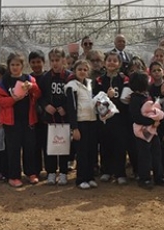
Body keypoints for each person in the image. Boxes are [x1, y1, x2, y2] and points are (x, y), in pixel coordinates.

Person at [0, 52, 42, 187]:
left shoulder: (29, 78)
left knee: (30, 147)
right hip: (11, 121)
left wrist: (32, 87)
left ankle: (31, 173)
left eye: (17, 64)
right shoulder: (4, 81)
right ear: (9, 66)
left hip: (28, 120)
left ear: (22, 65)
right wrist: (13, 99)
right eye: (12, 65)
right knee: (13, 149)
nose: (15, 67)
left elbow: (38, 94)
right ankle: (14, 176)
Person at [96, 51, 132, 184]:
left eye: (114, 60)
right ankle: (106, 171)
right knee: (105, 144)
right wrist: (106, 96)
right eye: (109, 60)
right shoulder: (100, 80)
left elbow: (126, 99)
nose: (111, 63)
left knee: (120, 145)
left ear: (119, 63)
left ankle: (120, 173)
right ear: (104, 63)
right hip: (105, 119)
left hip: (120, 118)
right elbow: (96, 99)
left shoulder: (124, 79)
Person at [129, 71, 164, 190]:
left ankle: (159, 177)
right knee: (145, 155)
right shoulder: (135, 99)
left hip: (152, 131)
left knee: (156, 153)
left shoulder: (146, 95)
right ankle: (144, 178)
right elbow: (136, 118)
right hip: (142, 132)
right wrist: (152, 121)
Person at [38, 47, 72, 185]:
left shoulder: (70, 77)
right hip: (50, 119)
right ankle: (51, 172)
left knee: (63, 146)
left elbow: (74, 97)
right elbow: (39, 96)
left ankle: (63, 172)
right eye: (52, 60)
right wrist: (46, 106)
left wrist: (66, 108)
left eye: (57, 60)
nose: (55, 63)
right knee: (50, 147)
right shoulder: (45, 78)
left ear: (63, 60)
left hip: (64, 119)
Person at [65, 60, 100, 189]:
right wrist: (74, 128)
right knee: (82, 152)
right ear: (75, 71)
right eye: (79, 69)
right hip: (80, 123)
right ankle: (81, 179)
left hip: (92, 121)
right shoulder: (71, 86)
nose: (82, 72)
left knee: (91, 151)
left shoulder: (90, 84)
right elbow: (71, 108)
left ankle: (90, 177)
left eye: (85, 70)